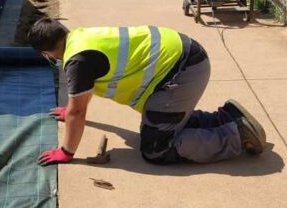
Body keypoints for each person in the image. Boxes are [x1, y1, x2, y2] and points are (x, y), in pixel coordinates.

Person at [28, 18, 266, 166]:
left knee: (156, 149)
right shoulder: (79, 37)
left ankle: (235, 135)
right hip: (184, 59)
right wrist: (71, 110)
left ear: (47, 53)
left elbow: (78, 111)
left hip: (182, 71)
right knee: (162, 125)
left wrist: (66, 152)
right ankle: (227, 117)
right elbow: (77, 105)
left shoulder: (77, 62)